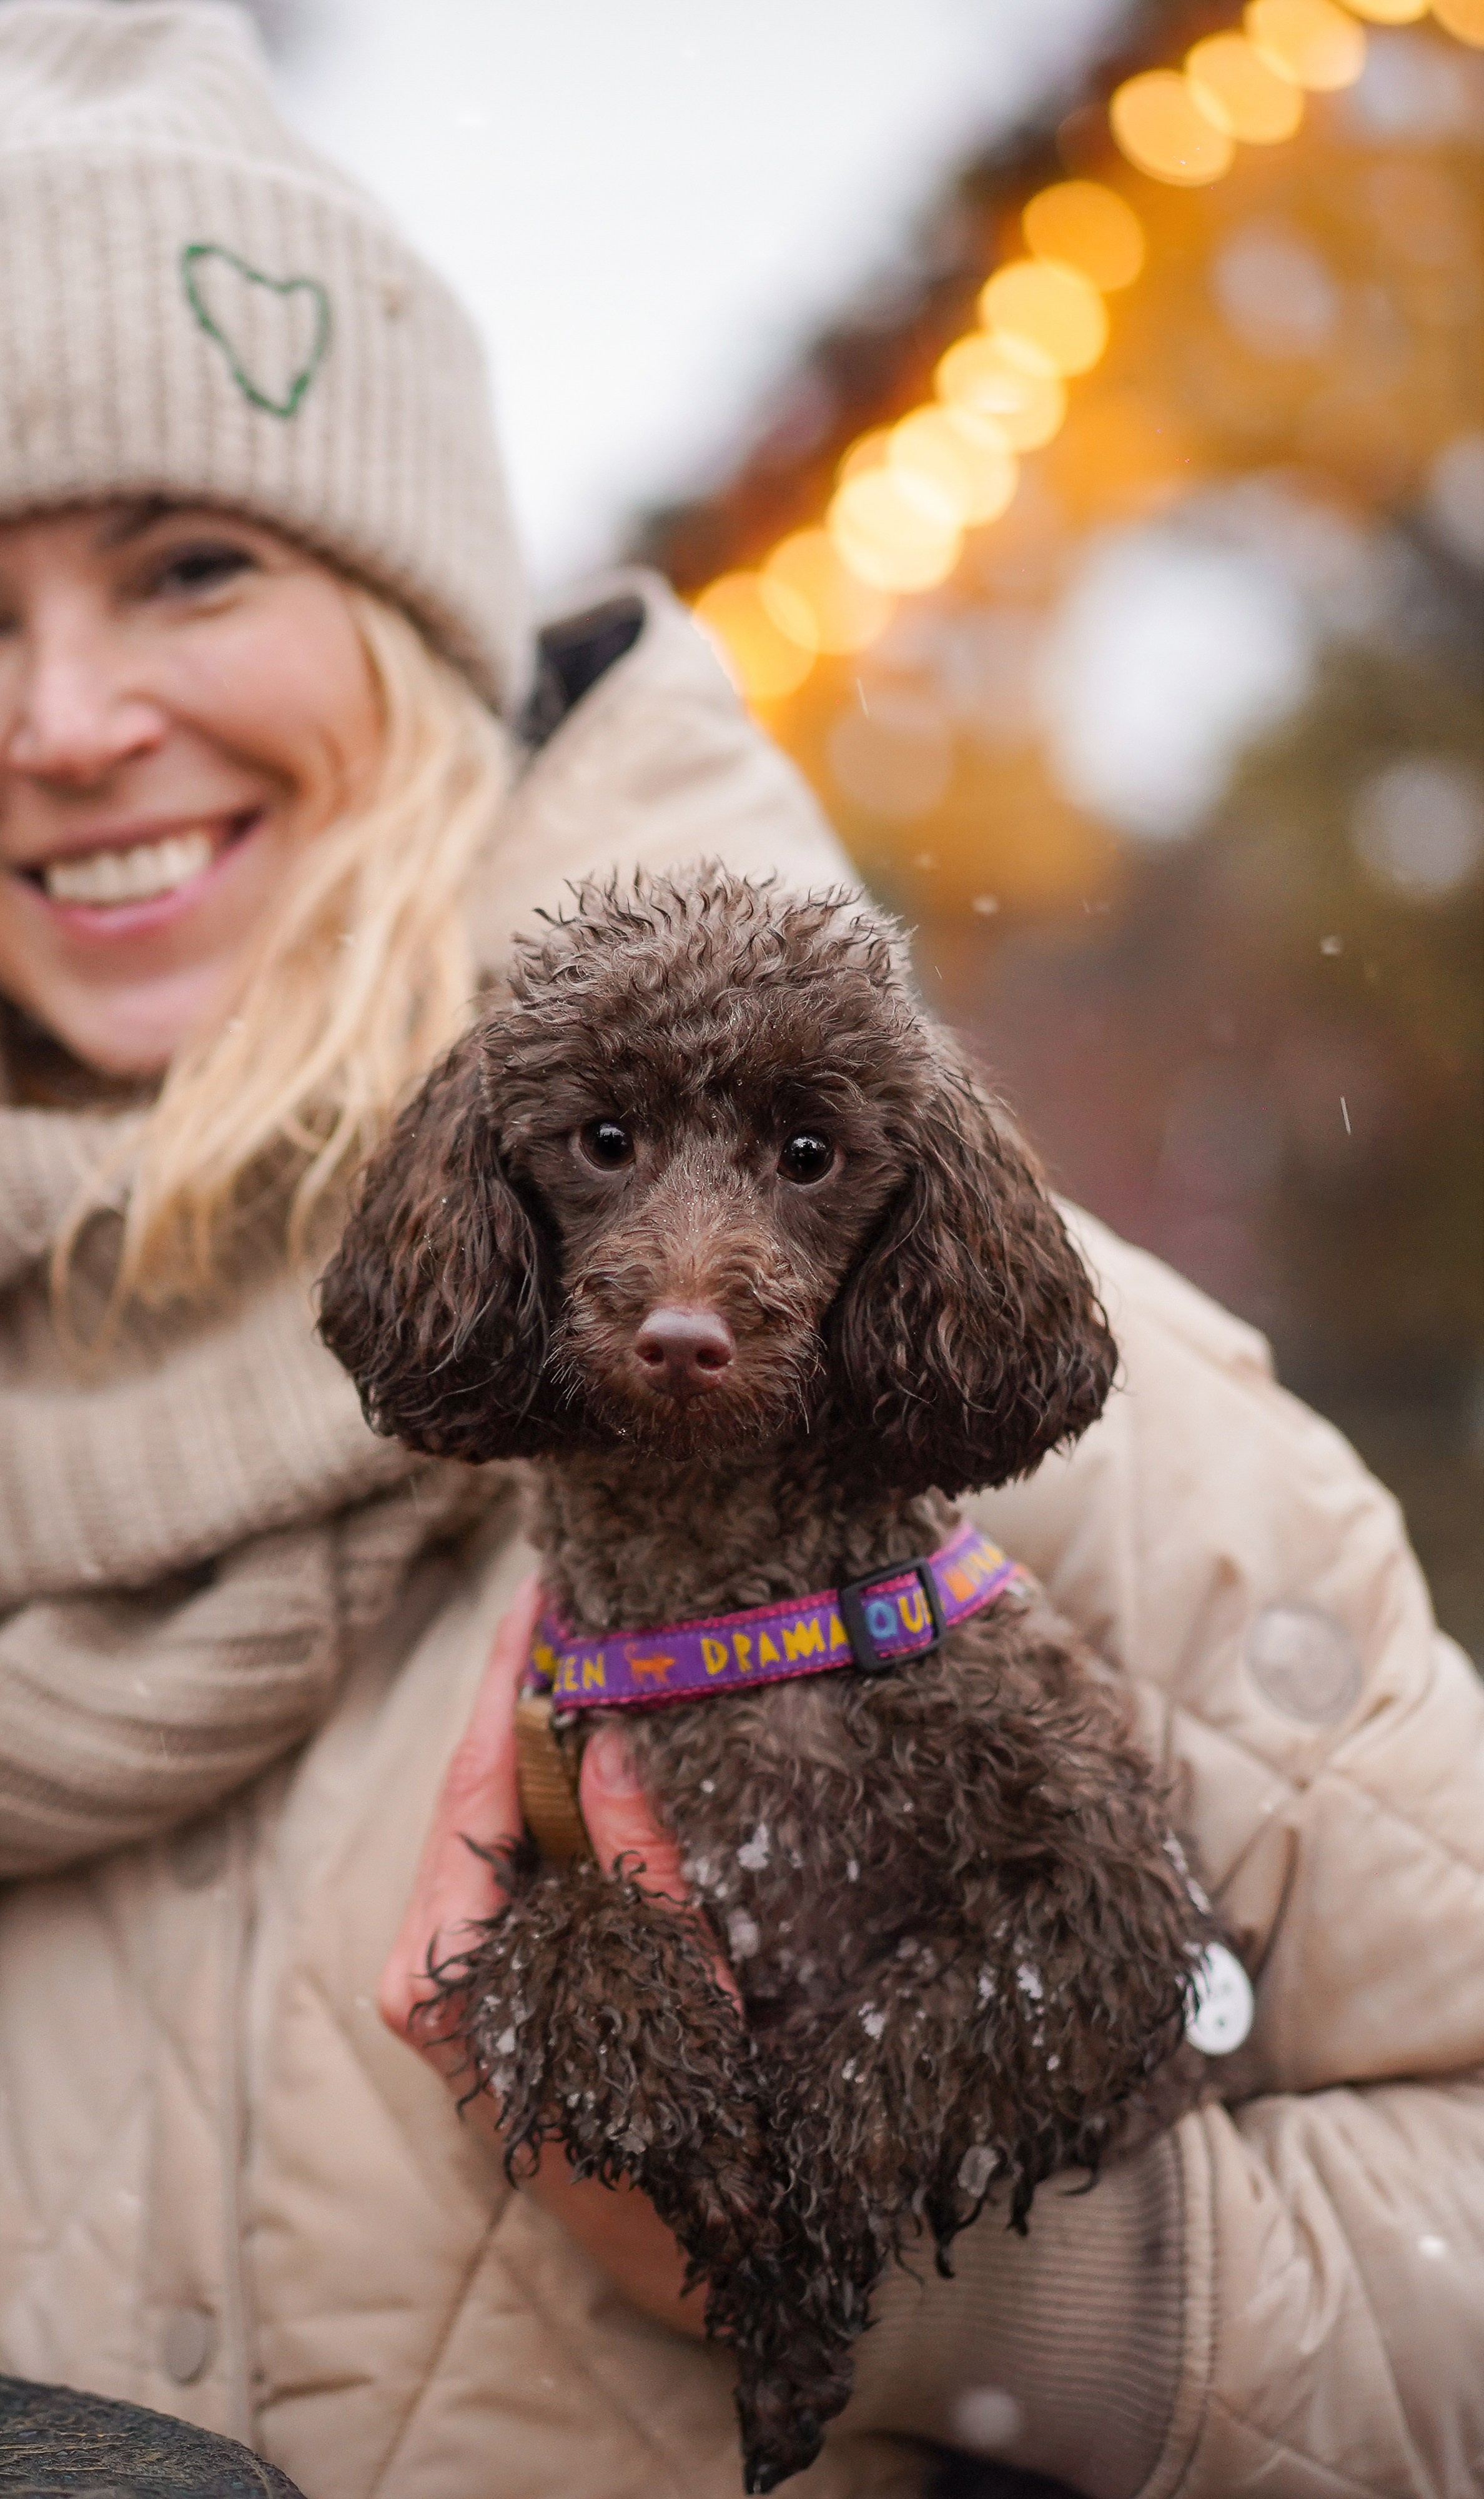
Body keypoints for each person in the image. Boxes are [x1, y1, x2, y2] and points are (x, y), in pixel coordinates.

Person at [0, 7, 1478, 2498]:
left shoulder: (948, 1352)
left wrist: (949, 2283)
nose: (65, 714)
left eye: (190, 561)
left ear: (417, 612)